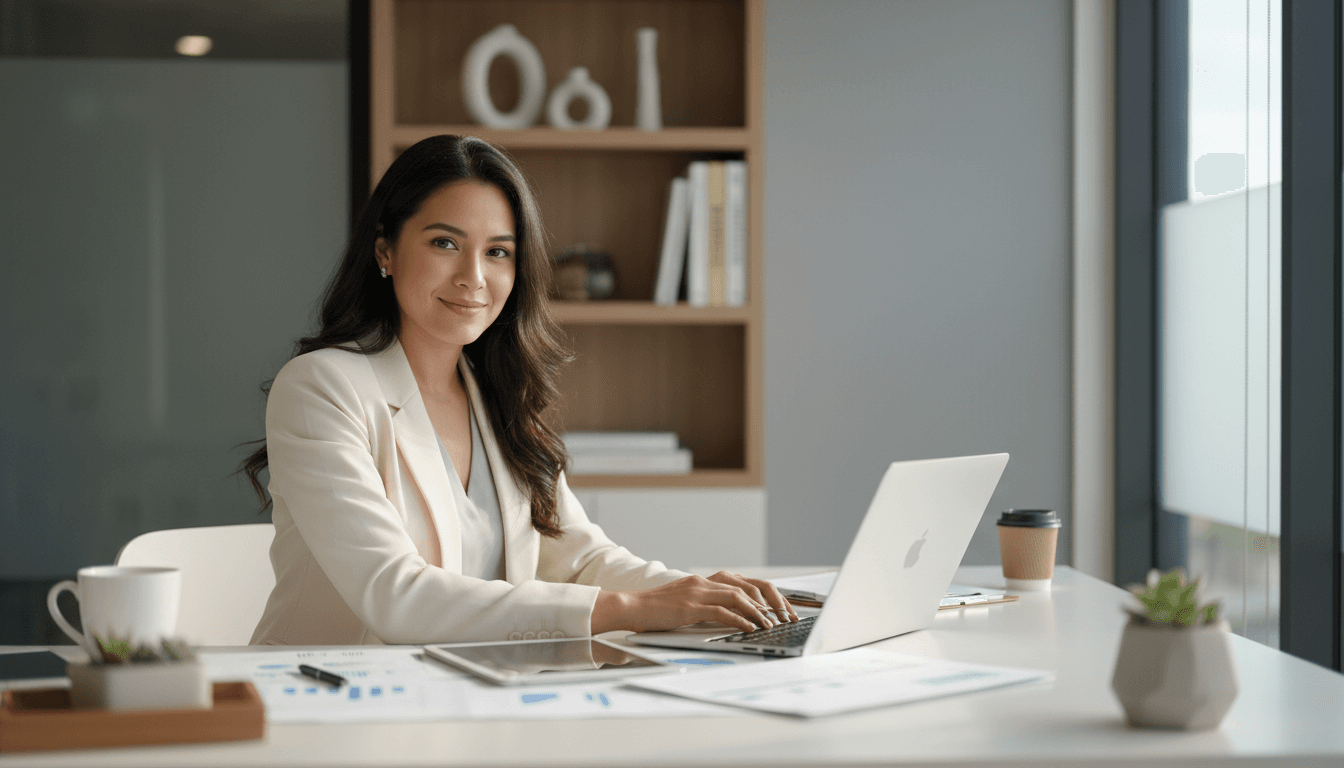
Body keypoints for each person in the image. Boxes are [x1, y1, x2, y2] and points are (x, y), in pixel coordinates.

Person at [241, 135, 796, 645]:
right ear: (385, 251)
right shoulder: (321, 389)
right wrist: (630, 609)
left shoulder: (497, 394)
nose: (473, 277)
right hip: (332, 707)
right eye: (444, 243)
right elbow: (397, 597)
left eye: (498, 252)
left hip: (469, 697)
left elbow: (579, 558)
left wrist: (700, 595)